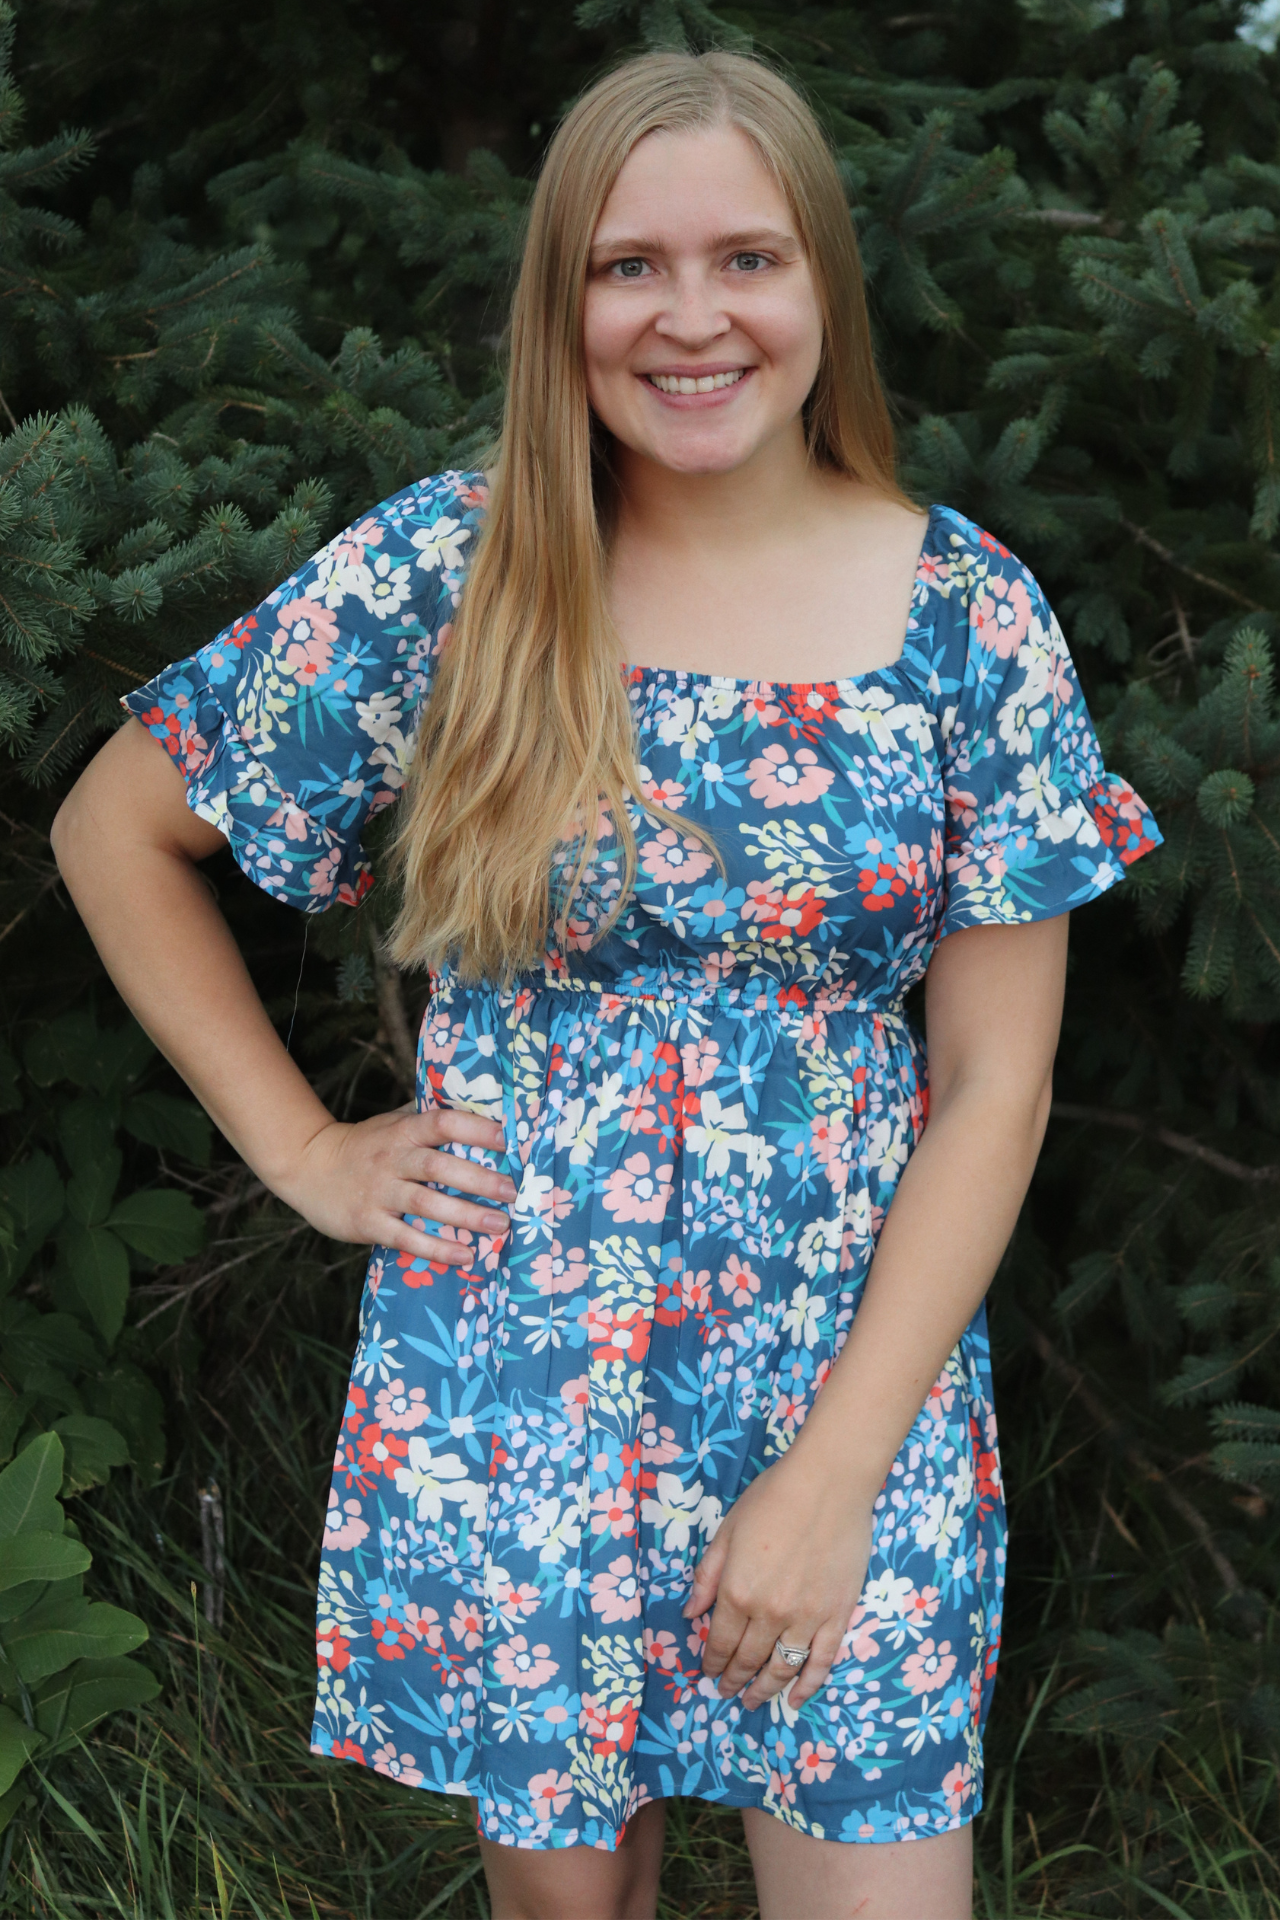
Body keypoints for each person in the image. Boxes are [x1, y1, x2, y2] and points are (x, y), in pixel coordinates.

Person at [52, 48, 1161, 1920]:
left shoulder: (965, 613)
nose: (691, 316)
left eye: (748, 257)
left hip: (848, 1370)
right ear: (561, 295)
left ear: (824, 286)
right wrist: (309, 1150)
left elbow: (995, 1088)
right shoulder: (460, 568)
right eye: (628, 266)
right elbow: (115, 828)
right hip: (518, 1367)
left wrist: (828, 1482)